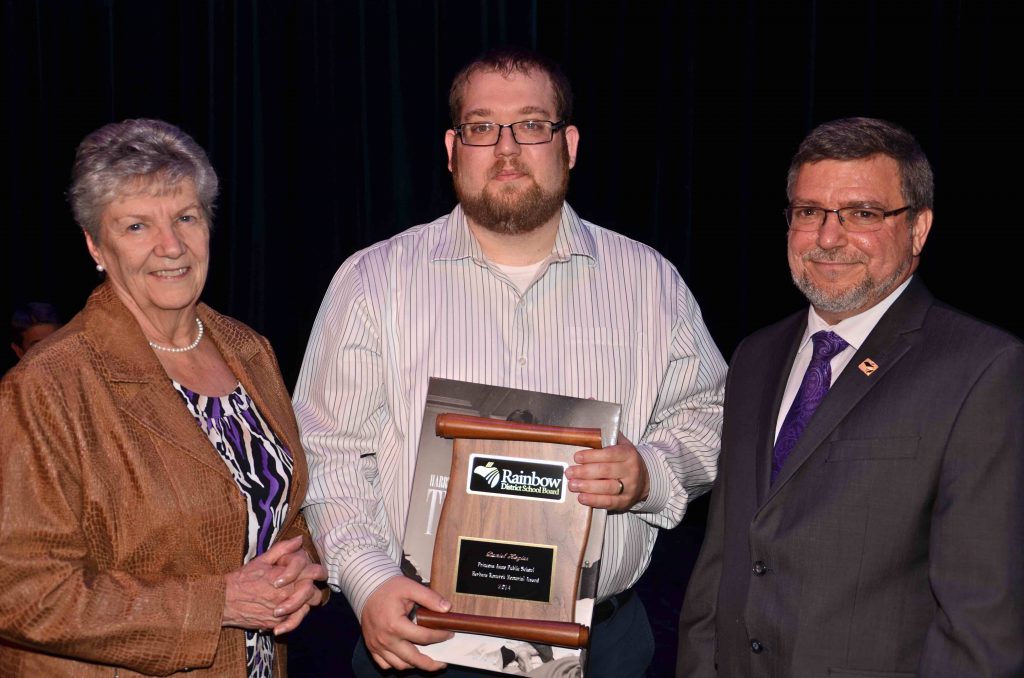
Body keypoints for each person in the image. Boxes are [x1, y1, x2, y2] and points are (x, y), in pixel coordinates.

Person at [292, 46, 727, 677]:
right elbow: (327, 451)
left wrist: (648, 473)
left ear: (569, 144)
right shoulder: (371, 282)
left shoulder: (651, 283)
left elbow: (708, 417)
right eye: (480, 127)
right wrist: (367, 582)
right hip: (423, 645)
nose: (506, 147)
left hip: (601, 648)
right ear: (451, 148)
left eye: (531, 124)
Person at [677, 117, 1024, 676]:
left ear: (918, 228)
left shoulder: (982, 369)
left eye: (863, 214)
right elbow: (720, 569)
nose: (828, 238)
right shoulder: (754, 357)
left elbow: (982, 621)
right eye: (809, 212)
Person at [0, 118, 327, 676]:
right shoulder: (49, 385)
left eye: (185, 217)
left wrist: (305, 574)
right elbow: (21, 591)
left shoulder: (248, 350)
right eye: (135, 226)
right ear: (95, 245)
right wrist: (215, 604)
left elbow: (275, 508)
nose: (170, 246)